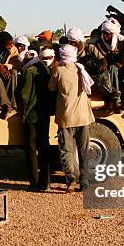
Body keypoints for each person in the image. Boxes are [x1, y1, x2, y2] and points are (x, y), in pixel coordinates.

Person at [48, 29, 95, 192]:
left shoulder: (58, 71)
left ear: (61, 55)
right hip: (83, 117)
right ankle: (84, 181)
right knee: (83, 151)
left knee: (67, 151)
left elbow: (51, 88)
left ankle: (71, 179)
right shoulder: (80, 69)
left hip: (66, 117)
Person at [20, 48, 56, 191]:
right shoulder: (51, 71)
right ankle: (46, 182)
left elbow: (24, 95)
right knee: (44, 147)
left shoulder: (30, 71)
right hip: (45, 114)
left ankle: (34, 183)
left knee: (30, 149)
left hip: (31, 114)